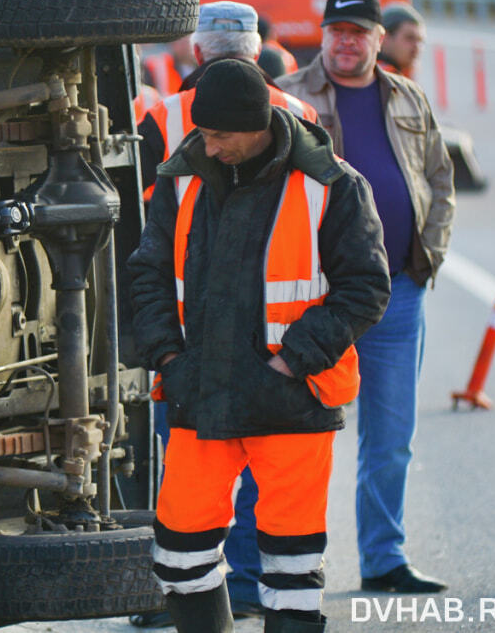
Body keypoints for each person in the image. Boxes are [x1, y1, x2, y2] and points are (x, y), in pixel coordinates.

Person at [129, 58, 391, 632]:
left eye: (221, 135)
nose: (211, 146)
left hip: (292, 400)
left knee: (292, 570)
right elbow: (147, 273)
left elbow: (366, 289)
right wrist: (169, 357)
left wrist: (291, 360)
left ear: (256, 124)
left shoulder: (333, 185)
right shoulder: (181, 179)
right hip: (200, 391)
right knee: (177, 555)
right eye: (204, 133)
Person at [278, 0, 455, 595]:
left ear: (381, 40)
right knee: (293, 435)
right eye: (337, 31)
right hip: (314, 297)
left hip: (400, 293)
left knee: (391, 436)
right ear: (323, 35)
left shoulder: (408, 96)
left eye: (359, 32)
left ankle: (384, 560)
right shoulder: (292, 99)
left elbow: (438, 177)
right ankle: (288, 566)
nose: (346, 42)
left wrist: (428, 253)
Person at [137, 1, 317, 201]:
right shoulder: (301, 111)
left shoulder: (165, 113)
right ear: (257, 53)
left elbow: (131, 186)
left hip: (185, 232)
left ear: (197, 52)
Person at [377, 2, 427, 78]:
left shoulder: (401, 78)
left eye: (420, 41)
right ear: (385, 38)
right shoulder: (376, 79)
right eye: (410, 38)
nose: (417, 46)